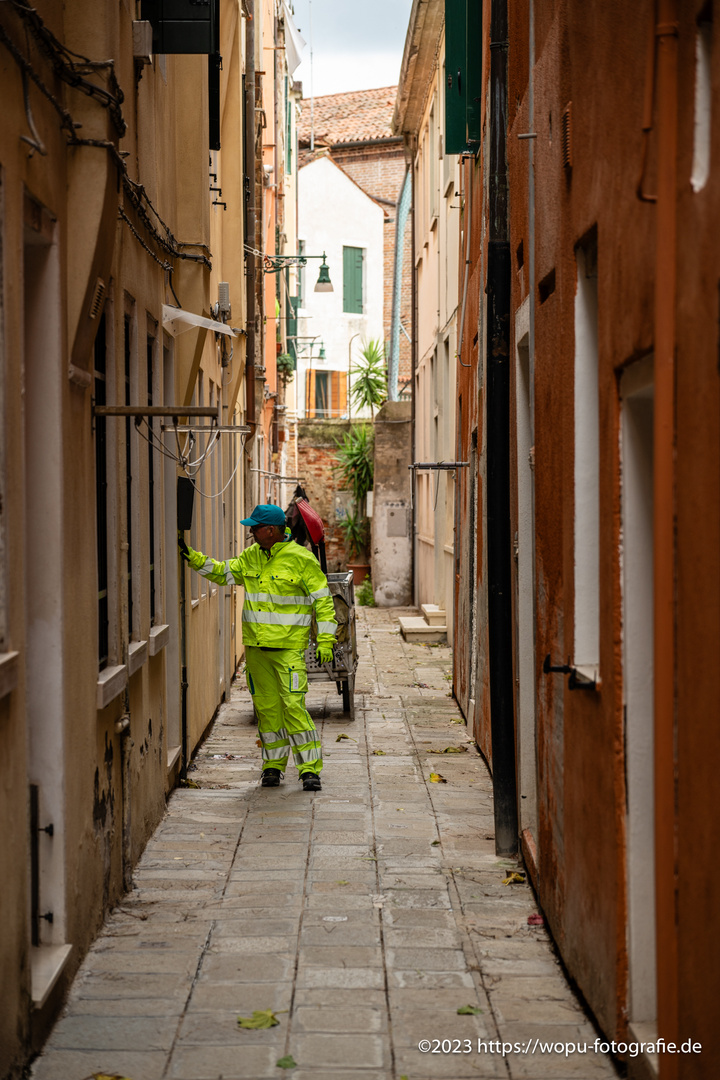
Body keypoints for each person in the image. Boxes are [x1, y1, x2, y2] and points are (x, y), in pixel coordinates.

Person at [179, 503, 336, 791]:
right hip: (257, 649)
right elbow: (224, 572)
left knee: (293, 707)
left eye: (255, 527)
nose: (251, 532)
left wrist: (326, 639)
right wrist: (193, 559)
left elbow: (323, 601)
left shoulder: (301, 559)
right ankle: (272, 768)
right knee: (267, 710)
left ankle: (310, 771)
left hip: (288, 649)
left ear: (272, 530)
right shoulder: (251, 556)